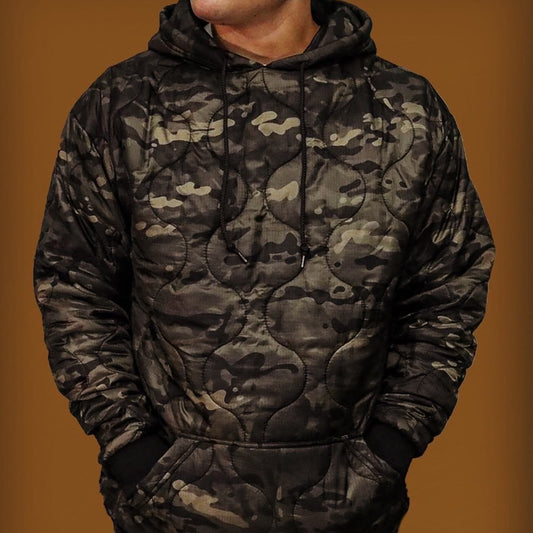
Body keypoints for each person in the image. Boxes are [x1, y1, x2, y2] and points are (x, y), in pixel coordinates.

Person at [32, 0, 495, 531]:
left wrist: (391, 444)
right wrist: (134, 452)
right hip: (167, 510)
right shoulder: (123, 103)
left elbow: (448, 289)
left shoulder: (406, 110)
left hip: (351, 506)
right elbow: (73, 287)